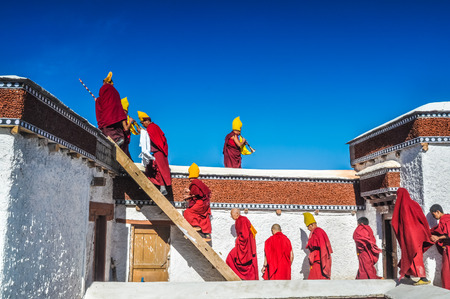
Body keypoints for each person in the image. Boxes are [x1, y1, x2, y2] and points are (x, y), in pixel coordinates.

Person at [392, 188, 434, 285]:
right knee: (412, 253)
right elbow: (422, 218)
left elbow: (395, 223)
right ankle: (407, 273)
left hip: (408, 236)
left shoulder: (399, 207)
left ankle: (423, 278)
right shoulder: (414, 204)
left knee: (414, 255)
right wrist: (426, 232)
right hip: (417, 235)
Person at [137, 111, 171, 196]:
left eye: (143, 122)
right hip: (158, 151)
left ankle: (162, 188)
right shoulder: (154, 127)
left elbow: (152, 137)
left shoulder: (152, 127)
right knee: (151, 166)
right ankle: (150, 183)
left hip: (158, 151)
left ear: (147, 121)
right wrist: (143, 131)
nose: (143, 124)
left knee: (158, 169)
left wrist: (142, 131)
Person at [95, 72, 127, 150]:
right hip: (117, 118)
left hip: (108, 118)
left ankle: (116, 141)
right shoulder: (115, 91)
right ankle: (119, 140)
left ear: (105, 82)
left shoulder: (104, 88)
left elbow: (103, 102)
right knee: (118, 132)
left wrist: (97, 100)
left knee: (108, 134)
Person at [226, 208, 258, 280]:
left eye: (232, 214)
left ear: (237, 213)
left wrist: (238, 241)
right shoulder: (242, 219)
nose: (231, 216)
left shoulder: (241, 220)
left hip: (245, 245)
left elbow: (245, 235)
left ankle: (239, 276)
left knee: (231, 257)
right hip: (248, 245)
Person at [183, 163, 212, 242]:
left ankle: (195, 226)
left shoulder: (194, 183)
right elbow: (200, 193)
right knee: (204, 218)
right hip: (206, 204)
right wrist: (190, 192)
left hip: (200, 203)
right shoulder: (199, 182)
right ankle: (207, 236)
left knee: (188, 212)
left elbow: (197, 194)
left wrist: (188, 196)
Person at [304, 212, 332, 280]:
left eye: (308, 226)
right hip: (317, 259)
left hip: (319, 260)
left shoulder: (318, 231)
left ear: (312, 224)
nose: (308, 229)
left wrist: (323, 260)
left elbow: (322, 247)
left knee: (315, 279)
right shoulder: (315, 232)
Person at [430, 204, 450, 289]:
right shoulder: (444, 220)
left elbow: (448, 234)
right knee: (445, 272)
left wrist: (438, 237)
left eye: (433, 214)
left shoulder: (446, 220)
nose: (433, 217)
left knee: (446, 272)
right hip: (447, 249)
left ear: (438, 212)